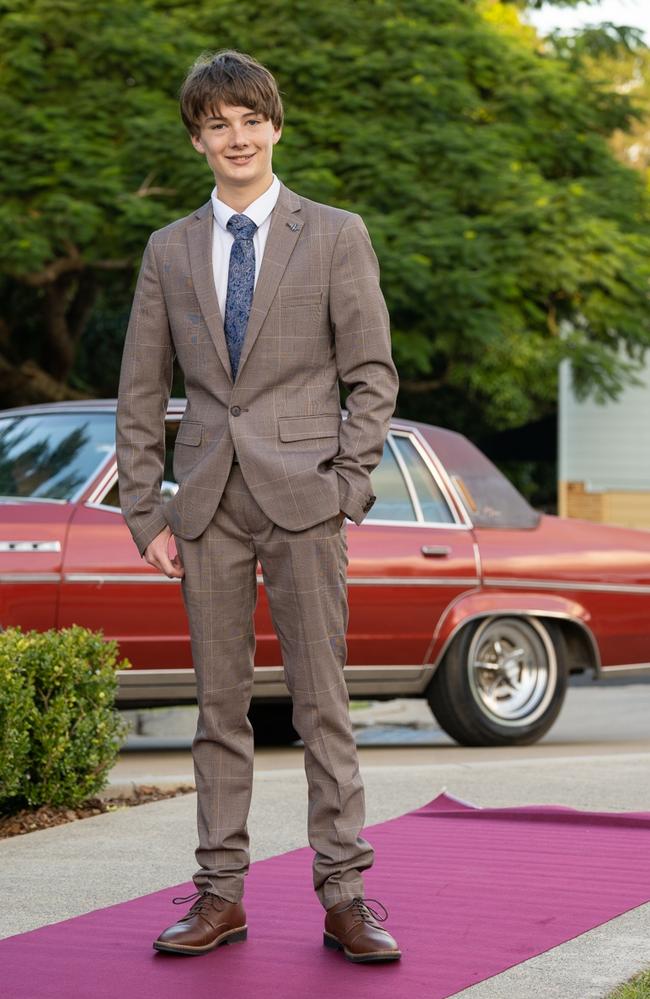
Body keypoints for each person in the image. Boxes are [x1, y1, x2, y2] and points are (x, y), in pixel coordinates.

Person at [116, 49, 400, 964]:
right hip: (204, 505)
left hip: (308, 498)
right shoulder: (167, 249)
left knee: (323, 706)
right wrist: (144, 512)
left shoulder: (336, 233)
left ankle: (346, 894)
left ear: (275, 126)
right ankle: (218, 895)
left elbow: (372, 375)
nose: (236, 138)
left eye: (250, 120)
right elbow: (139, 389)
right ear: (198, 140)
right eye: (216, 125)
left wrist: (349, 487)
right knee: (219, 709)